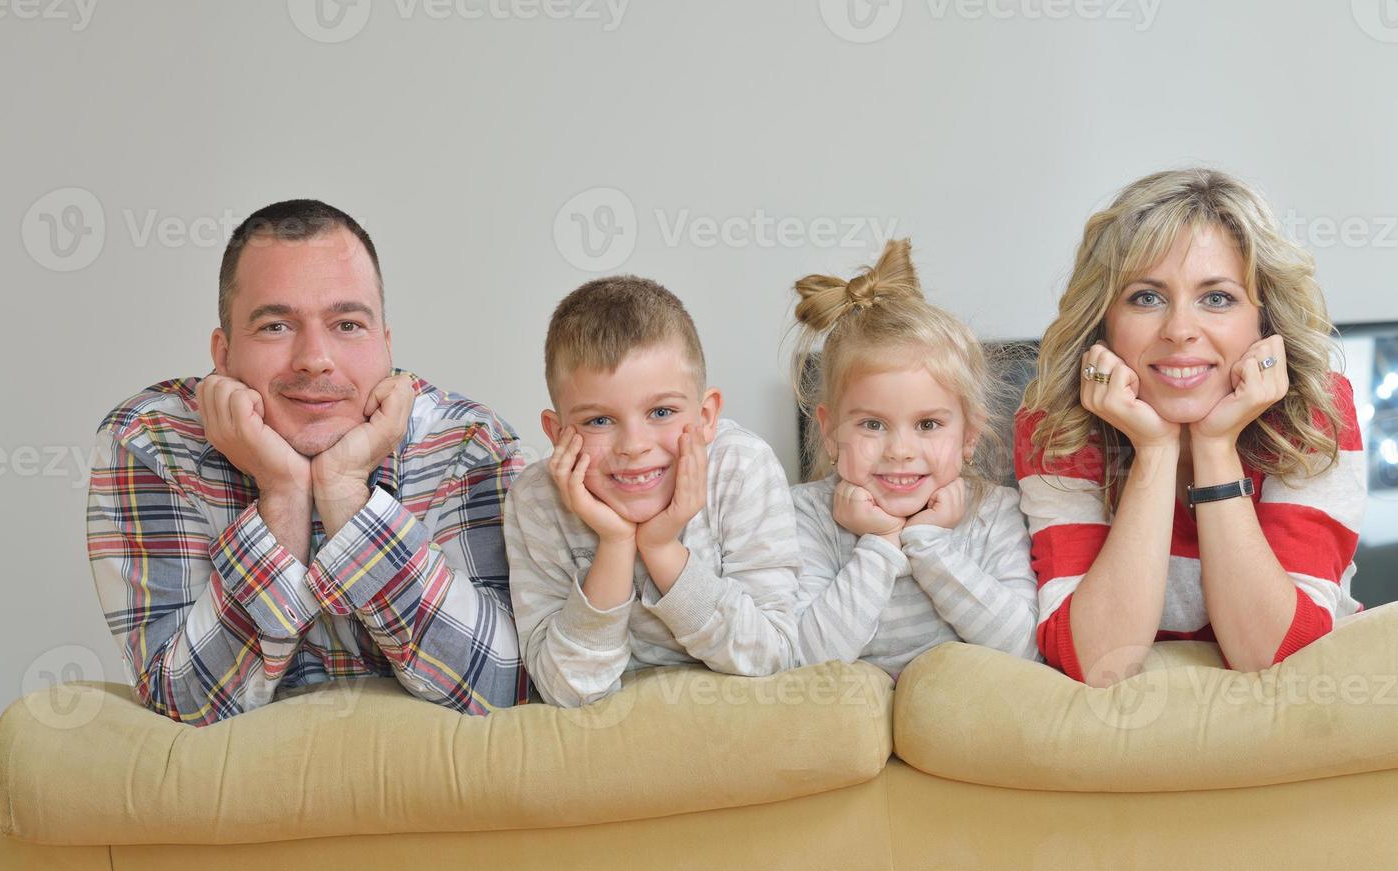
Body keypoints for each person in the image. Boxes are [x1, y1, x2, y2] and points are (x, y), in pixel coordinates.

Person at [86, 199, 531, 723]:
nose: (314, 358)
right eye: (276, 326)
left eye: (347, 325)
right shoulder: (151, 443)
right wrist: (282, 495)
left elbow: (507, 688)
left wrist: (345, 490)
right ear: (223, 354)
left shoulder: (468, 444)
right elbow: (184, 707)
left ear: (385, 346)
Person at [1016, 169, 1366, 686]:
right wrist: (1154, 451)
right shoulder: (1055, 427)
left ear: (1263, 322)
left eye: (1217, 298)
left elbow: (1271, 653)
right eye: (1147, 297)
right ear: (1104, 322)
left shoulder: (1315, 411)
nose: (1180, 330)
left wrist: (1214, 445)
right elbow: (1097, 661)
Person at [504, 275, 800, 707]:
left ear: (705, 416)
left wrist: (661, 549)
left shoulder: (742, 469)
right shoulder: (536, 500)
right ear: (555, 433)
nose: (634, 446)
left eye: (661, 412)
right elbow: (567, 689)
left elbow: (773, 655)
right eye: (598, 421)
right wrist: (616, 542)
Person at [788, 239, 1040, 676]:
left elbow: (1024, 648)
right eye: (872, 424)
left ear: (970, 435)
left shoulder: (995, 513)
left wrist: (928, 544)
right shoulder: (802, 515)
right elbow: (805, 657)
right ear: (829, 432)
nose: (901, 451)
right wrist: (882, 543)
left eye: (928, 425)